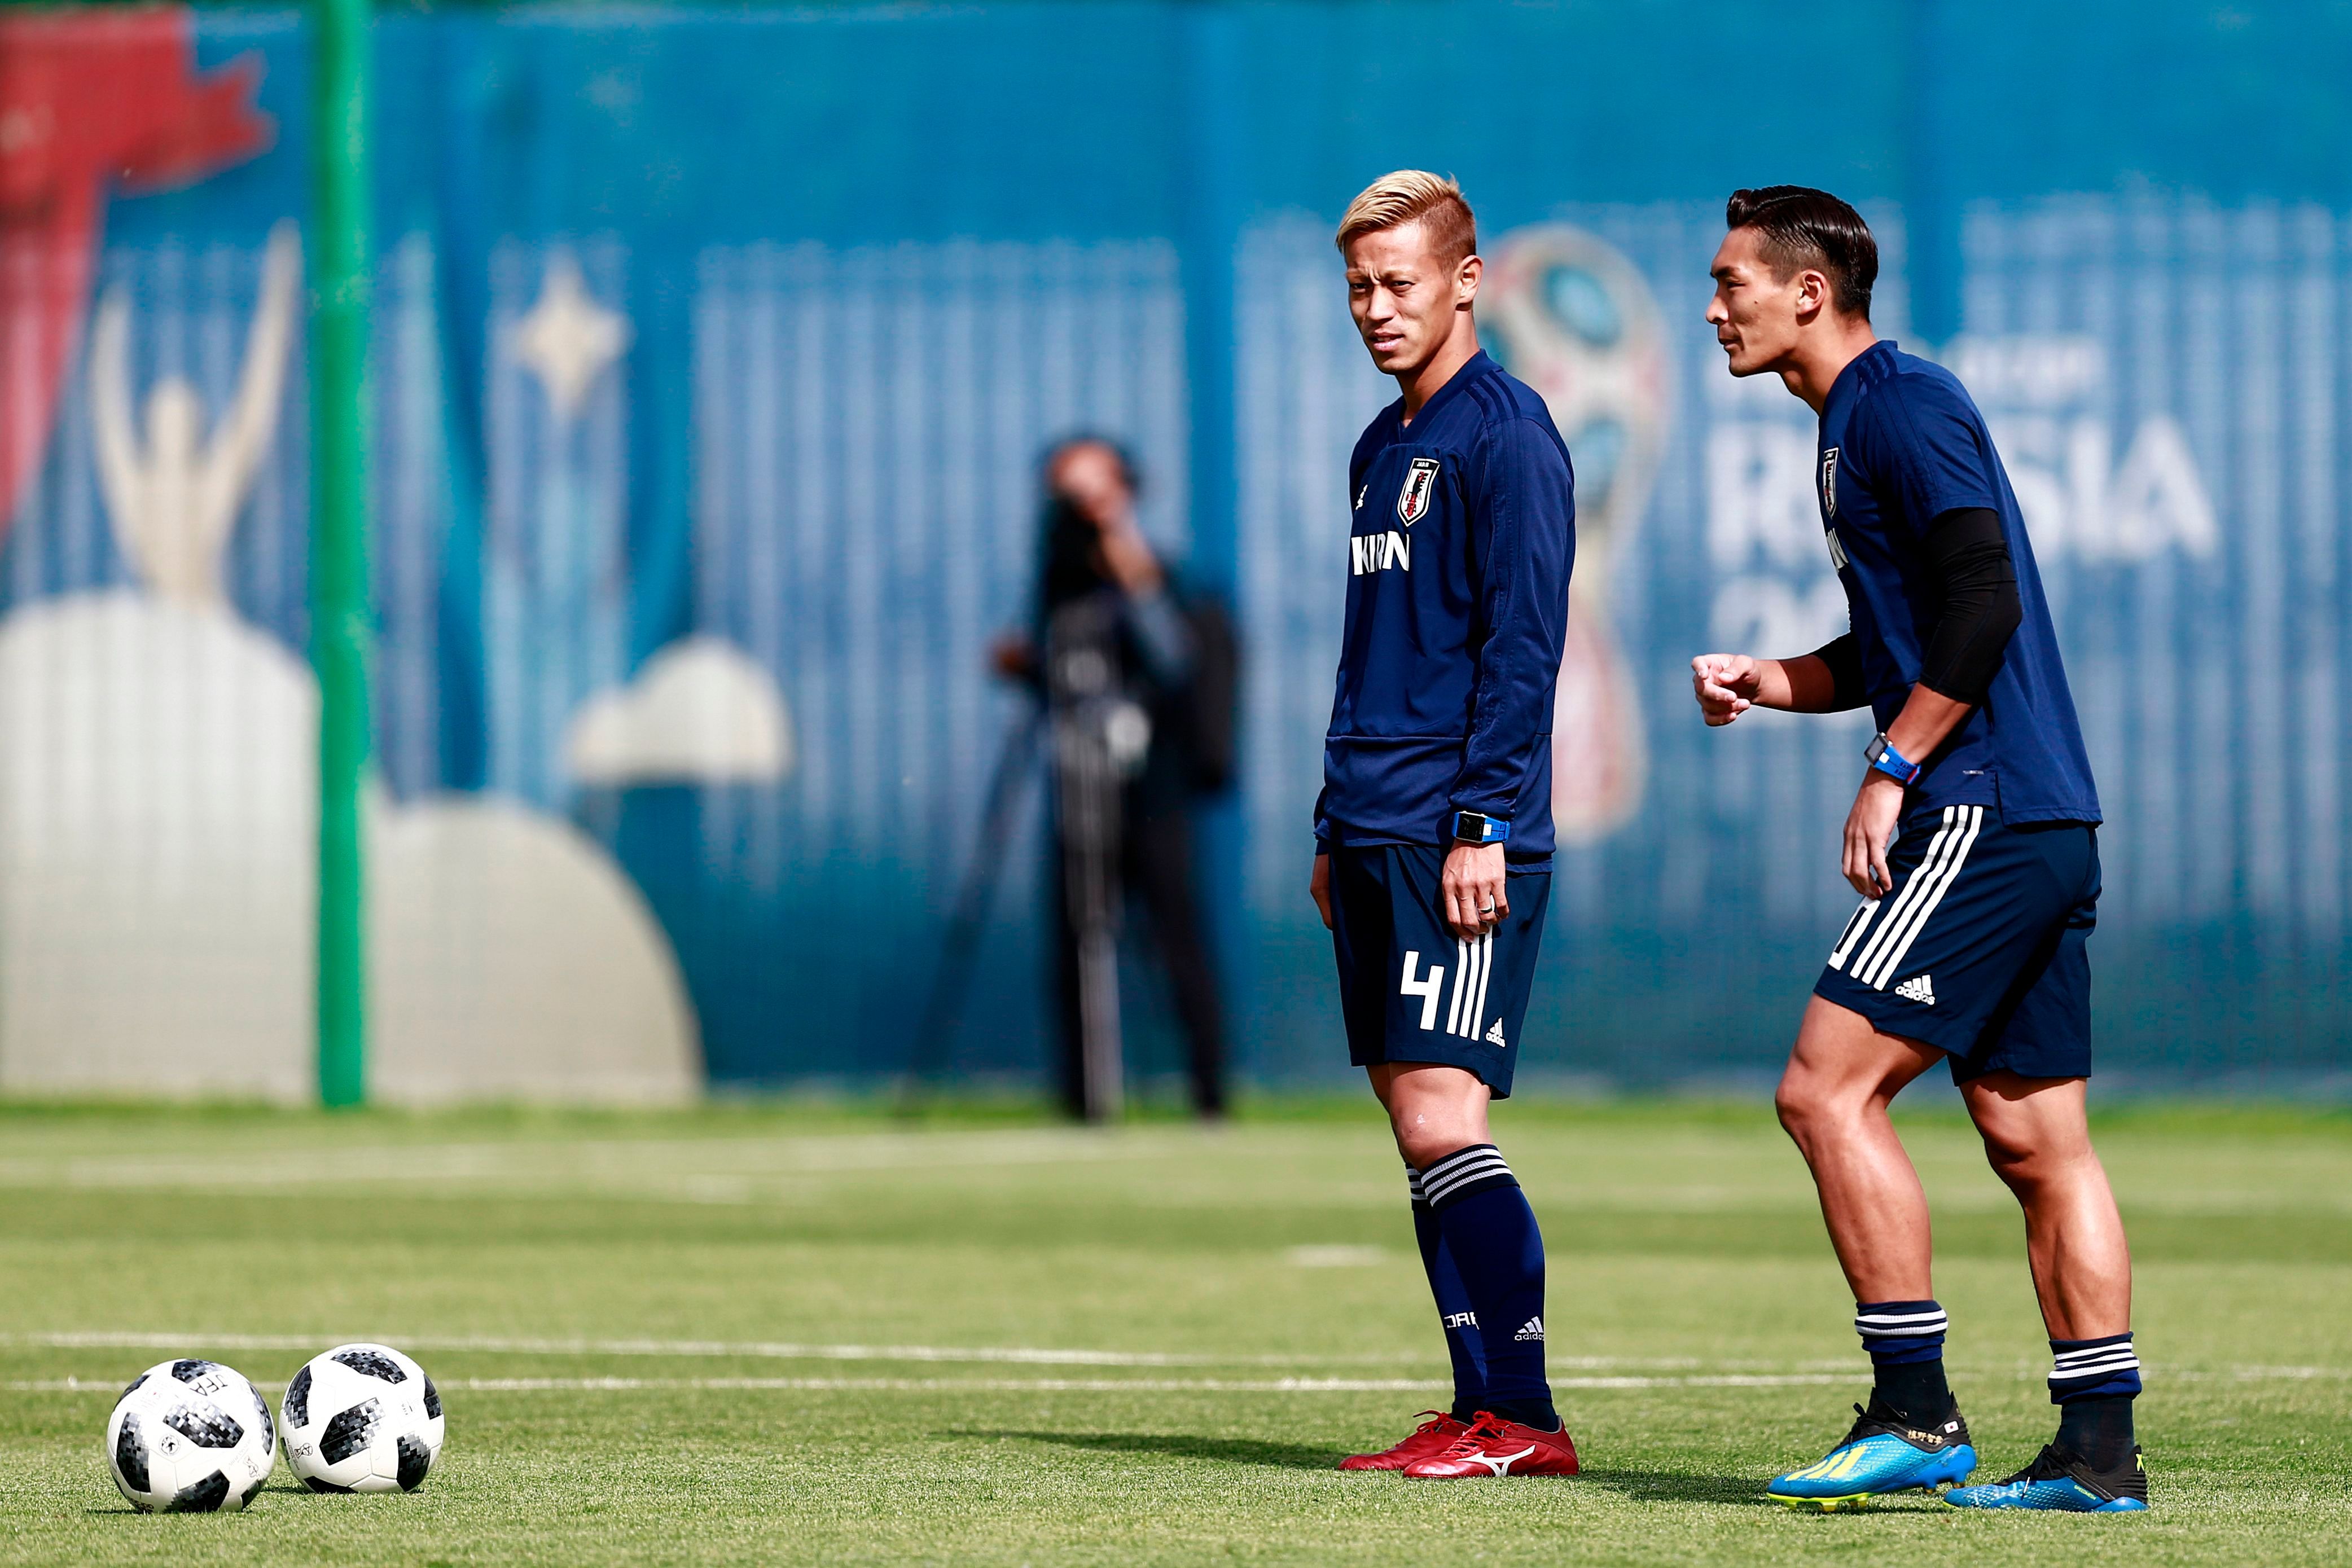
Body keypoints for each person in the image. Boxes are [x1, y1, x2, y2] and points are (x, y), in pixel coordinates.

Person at [1691, 186, 2146, 1513]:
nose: (1713, 307)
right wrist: (1769, 681)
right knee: (2032, 1137)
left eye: (1731, 282)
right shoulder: (1849, 423)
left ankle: (1913, 1410)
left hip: (1986, 811)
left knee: (1822, 1093)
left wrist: (1893, 770)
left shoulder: (1897, 401)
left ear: (1808, 294)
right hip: (2045, 816)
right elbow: (1897, 645)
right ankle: (2098, 1455)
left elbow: (1983, 599)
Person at [1313, 172, 1579, 1480]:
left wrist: (1481, 822)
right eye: (1359, 286)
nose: (1375, 308)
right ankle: (1477, 1406)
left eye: (1399, 283)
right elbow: (1372, 654)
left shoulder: (1507, 435)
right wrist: (1329, 821)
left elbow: (1523, 649)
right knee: (1410, 1118)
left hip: (1454, 833)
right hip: (1371, 824)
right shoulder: (1380, 446)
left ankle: (1521, 1417)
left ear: (1466, 282)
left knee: (1440, 1115)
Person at [993, 437, 1235, 1120]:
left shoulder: (1160, 573)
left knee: (1175, 930)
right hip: (1079, 783)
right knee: (1073, 934)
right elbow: (1058, 671)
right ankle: (1083, 1095)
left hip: (1153, 786)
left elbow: (1177, 659)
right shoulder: (1060, 590)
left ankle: (1208, 1093)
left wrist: (1129, 564)